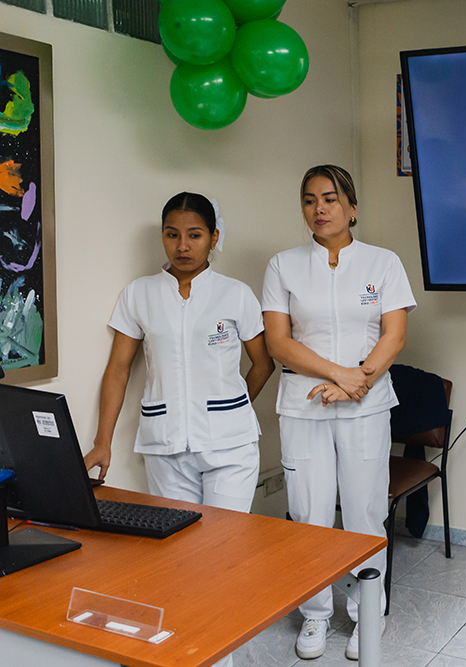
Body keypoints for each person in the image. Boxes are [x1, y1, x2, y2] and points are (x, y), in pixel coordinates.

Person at [84, 192, 274, 667]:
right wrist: (102, 441)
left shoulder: (235, 294)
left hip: (231, 450)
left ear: (213, 237)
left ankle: (224, 656)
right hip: (166, 447)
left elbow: (262, 363)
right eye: (172, 235)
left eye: (194, 235)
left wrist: (233, 409)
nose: (183, 245)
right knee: (181, 560)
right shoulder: (140, 294)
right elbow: (118, 370)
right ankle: (195, 654)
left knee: (223, 556)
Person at [261, 165, 415, 661]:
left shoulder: (383, 262)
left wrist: (357, 381)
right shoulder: (283, 265)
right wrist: (339, 375)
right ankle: (315, 614)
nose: (319, 209)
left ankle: (368, 612)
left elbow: (394, 334)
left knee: (365, 512)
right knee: (308, 513)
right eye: (309, 200)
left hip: (365, 406)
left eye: (330, 199)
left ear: (352, 207)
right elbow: (279, 342)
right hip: (304, 404)